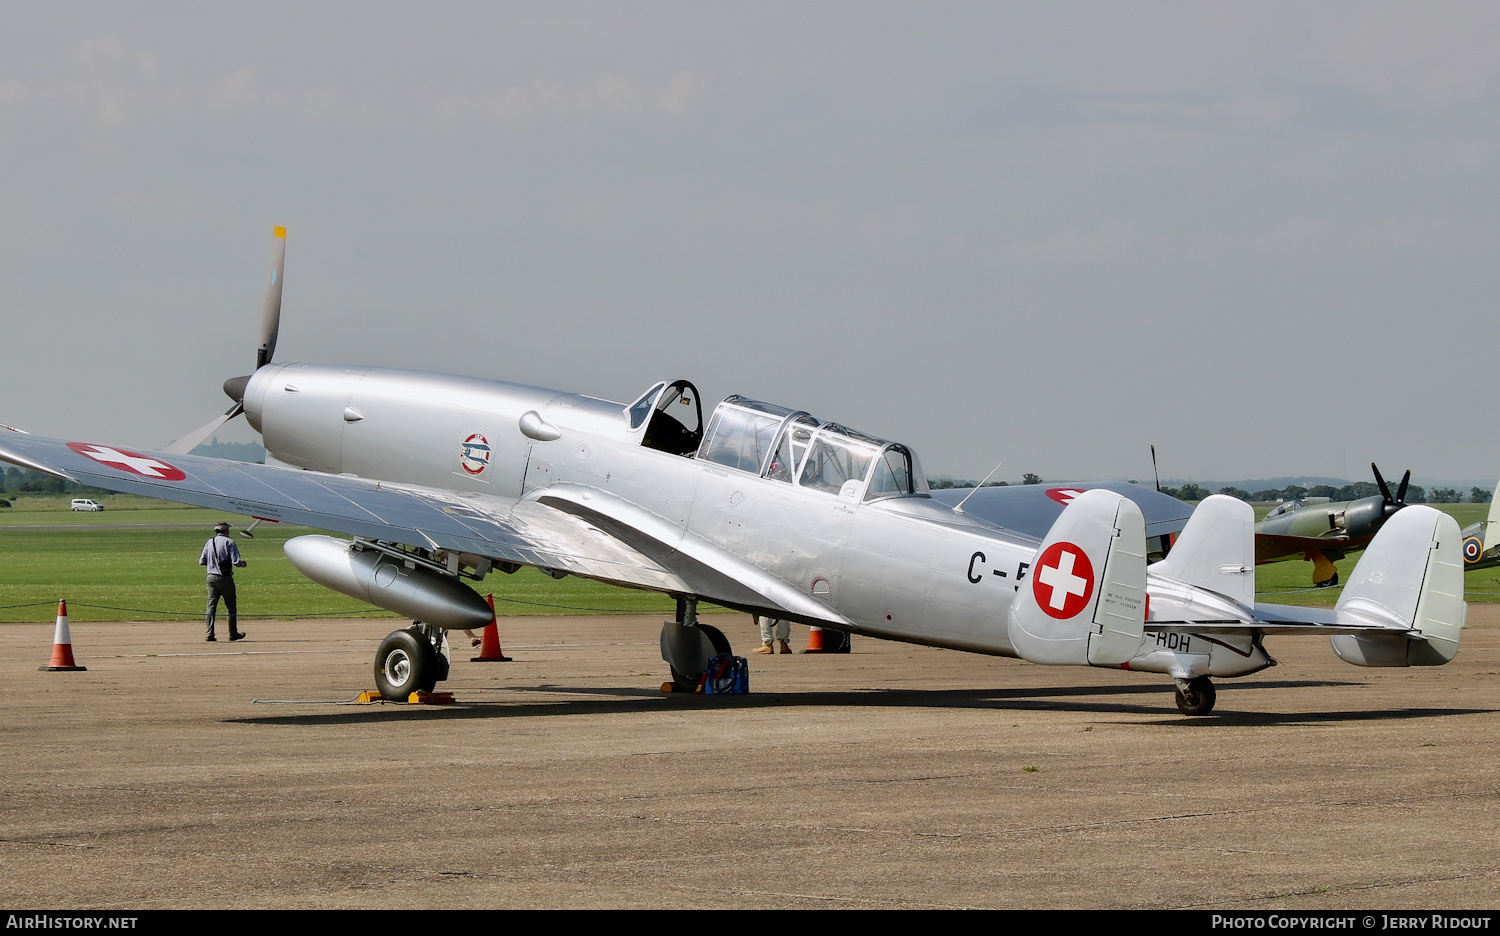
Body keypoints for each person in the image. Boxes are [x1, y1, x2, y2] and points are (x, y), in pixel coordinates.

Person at [199, 521, 248, 642]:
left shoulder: (209, 542)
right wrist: (242, 564)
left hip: (211, 577)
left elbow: (202, 561)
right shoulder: (229, 542)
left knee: (211, 606)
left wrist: (213, 563)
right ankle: (233, 633)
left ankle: (209, 633)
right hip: (225, 578)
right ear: (225, 530)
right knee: (231, 607)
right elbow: (236, 561)